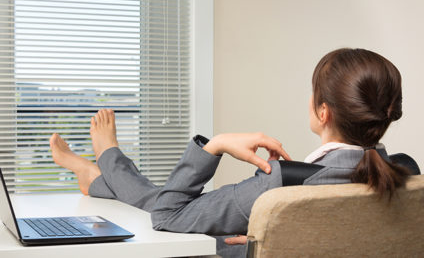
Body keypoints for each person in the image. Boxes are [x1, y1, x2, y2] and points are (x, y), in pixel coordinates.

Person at [49, 48, 411, 257]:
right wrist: (266, 241)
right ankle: (97, 176)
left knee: (162, 199)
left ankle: (106, 162)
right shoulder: (407, 174)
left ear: (323, 111)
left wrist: (215, 145)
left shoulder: (284, 185)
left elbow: (168, 213)